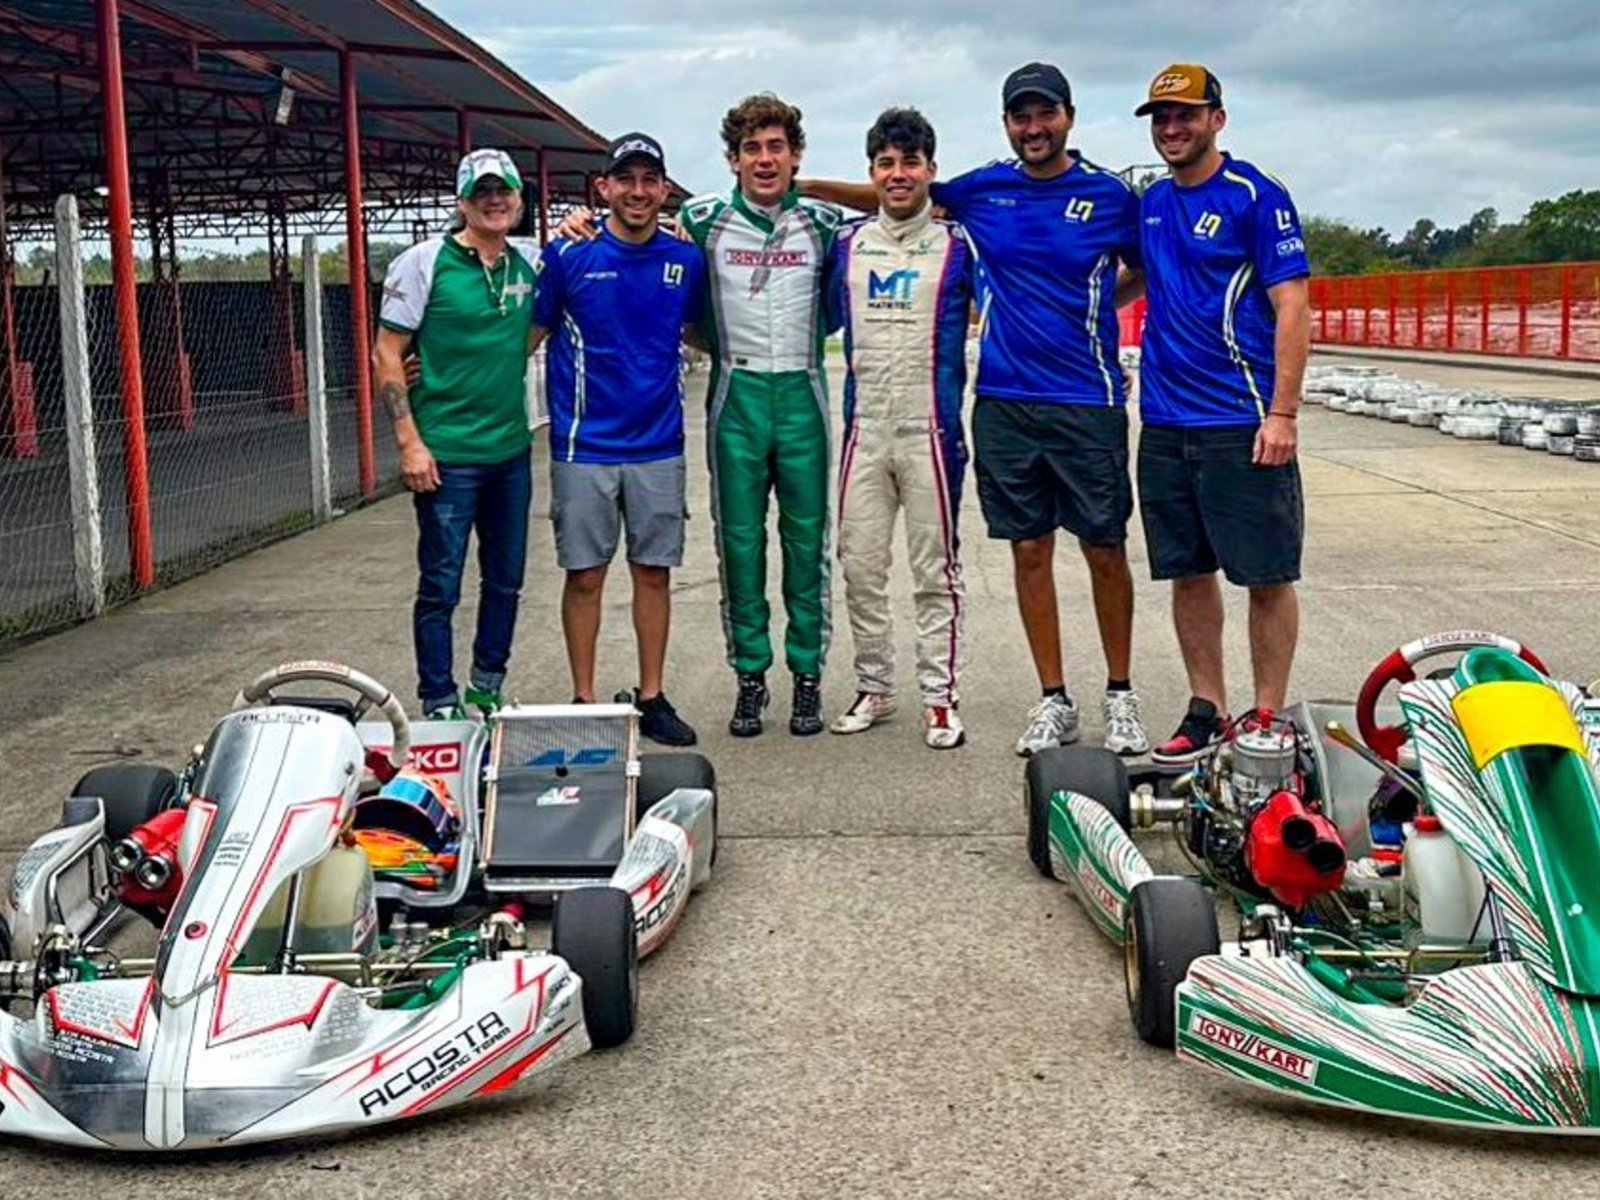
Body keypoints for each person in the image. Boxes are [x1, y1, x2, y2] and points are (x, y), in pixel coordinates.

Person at [803, 63, 1150, 758]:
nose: (1033, 128)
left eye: (1044, 114)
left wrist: (1098, 311)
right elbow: (892, 193)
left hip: (1089, 398)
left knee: (1105, 549)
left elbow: (1142, 266)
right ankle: (1053, 699)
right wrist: (802, 185)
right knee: (1028, 550)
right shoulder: (983, 190)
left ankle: (1120, 693)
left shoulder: (1110, 195)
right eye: (1021, 117)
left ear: (1069, 117)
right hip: (1004, 401)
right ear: (1005, 125)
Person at [1118, 64, 1310, 764]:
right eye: (1161, 118)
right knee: (1187, 572)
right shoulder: (1153, 203)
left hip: (1243, 417)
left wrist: (1283, 411)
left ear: (1217, 120)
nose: (1172, 128)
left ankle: (1264, 714)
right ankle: (1209, 707)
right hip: (1166, 421)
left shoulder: (1255, 196)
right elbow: (1140, 276)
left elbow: (1293, 303)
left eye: (1185, 115)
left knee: (1265, 573)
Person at [529, 133, 704, 746]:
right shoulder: (568, 255)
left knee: (653, 573)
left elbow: (704, 333)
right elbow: (525, 336)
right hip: (584, 447)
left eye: (648, 179)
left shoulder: (686, 261)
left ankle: (651, 697)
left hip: (659, 444)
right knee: (585, 576)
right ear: (603, 188)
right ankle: (584, 700)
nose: (637, 190)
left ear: (663, 188)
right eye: (623, 179)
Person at [678, 94, 844, 737]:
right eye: (752, 149)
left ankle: (808, 678)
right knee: (739, 543)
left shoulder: (824, 223)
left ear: (796, 155)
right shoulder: (703, 220)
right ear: (733, 159)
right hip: (736, 394)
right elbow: (675, 293)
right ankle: (751, 677)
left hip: (802, 392)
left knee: (807, 543)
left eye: (776, 147)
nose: (765, 159)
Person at [825, 107, 972, 750]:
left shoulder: (961, 246)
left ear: (931, 170)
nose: (898, 173)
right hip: (864, 429)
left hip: (930, 432)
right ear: (872, 172)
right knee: (859, 565)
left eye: (910, 161)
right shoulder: (848, 245)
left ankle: (940, 697)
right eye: (886, 162)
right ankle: (876, 685)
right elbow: (818, 318)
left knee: (934, 571)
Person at [375, 148, 537, 720]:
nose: (495, 201)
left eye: (504, 190)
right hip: (447, 454)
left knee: (506, 579)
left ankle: (486, 686)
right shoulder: (423, 262)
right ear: (462, 201)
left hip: (510, 452)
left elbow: (530, 334)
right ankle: (438, 697)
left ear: (519, 199)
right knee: (441, 582)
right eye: (482, 192)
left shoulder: (530, 263)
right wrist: (409, 441)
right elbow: (388, 352)